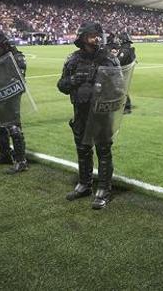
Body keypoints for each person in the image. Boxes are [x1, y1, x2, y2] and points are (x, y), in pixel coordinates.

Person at [57, 22, 120, 209]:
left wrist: (103, 87)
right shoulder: (73, 60)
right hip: (81, 113)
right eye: (93, 35)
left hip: (101, 114)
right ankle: (84, 184)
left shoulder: (109, 58)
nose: (97, 38)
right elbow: (61, 85)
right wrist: (74, 80)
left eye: (98, 35)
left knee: (103, 151)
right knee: (83, 150)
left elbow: (119, 87)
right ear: (83, 37)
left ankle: (103, 190)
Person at [0, 31, 29, 172]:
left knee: (13, 127)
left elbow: (17, 79)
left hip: (11, 97)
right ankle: (5, 155)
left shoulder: (18, 57)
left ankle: (21, 161)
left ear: (5, 45)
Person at [107, 32, 136, 114]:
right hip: (125, 73)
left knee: (121, 90)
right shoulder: (129, 49)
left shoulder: (125, 51)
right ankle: (124, 105)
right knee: (121, 90)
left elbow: (119, 61)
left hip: (122, 73)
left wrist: (112, 58)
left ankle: (126, 107)